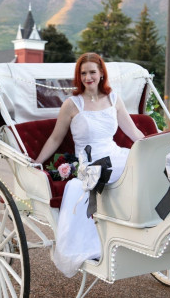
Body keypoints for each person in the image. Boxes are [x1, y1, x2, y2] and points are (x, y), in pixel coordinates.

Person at [35, 52, 145, 277]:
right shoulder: (72, 104)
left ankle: (139, 230)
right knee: (87, 183)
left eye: (92, 72)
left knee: (139, 167)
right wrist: (37, 162)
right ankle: (92, 246)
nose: (88, 77)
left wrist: (151, 146)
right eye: (83, 73)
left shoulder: (114, 99)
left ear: (101, 73)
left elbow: (132, 131)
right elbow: (56, 138)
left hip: (113, 152)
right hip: (88, 161)